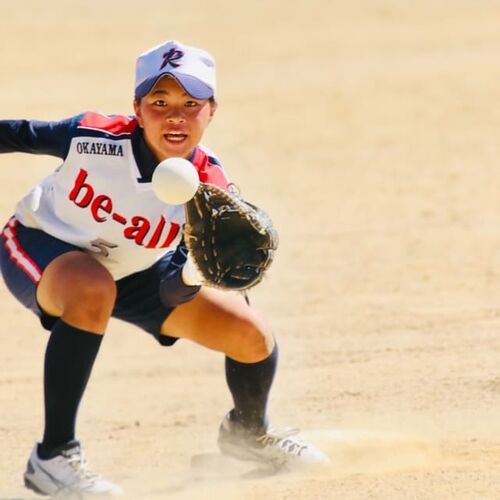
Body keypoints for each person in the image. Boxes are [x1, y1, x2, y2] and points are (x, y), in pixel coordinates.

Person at [0, 40, 327, 496]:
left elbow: (173, 290)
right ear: (137, 108)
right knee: (92, 287)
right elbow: (16, 134)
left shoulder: (210, 189)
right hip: (41, 243)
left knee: (250, 333)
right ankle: (53, 457)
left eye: (191, 104)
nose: (175, 116)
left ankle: (248, 435)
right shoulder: (93, 137)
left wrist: (195, 275)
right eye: (159, 102)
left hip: (139, 269)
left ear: (212, 111)